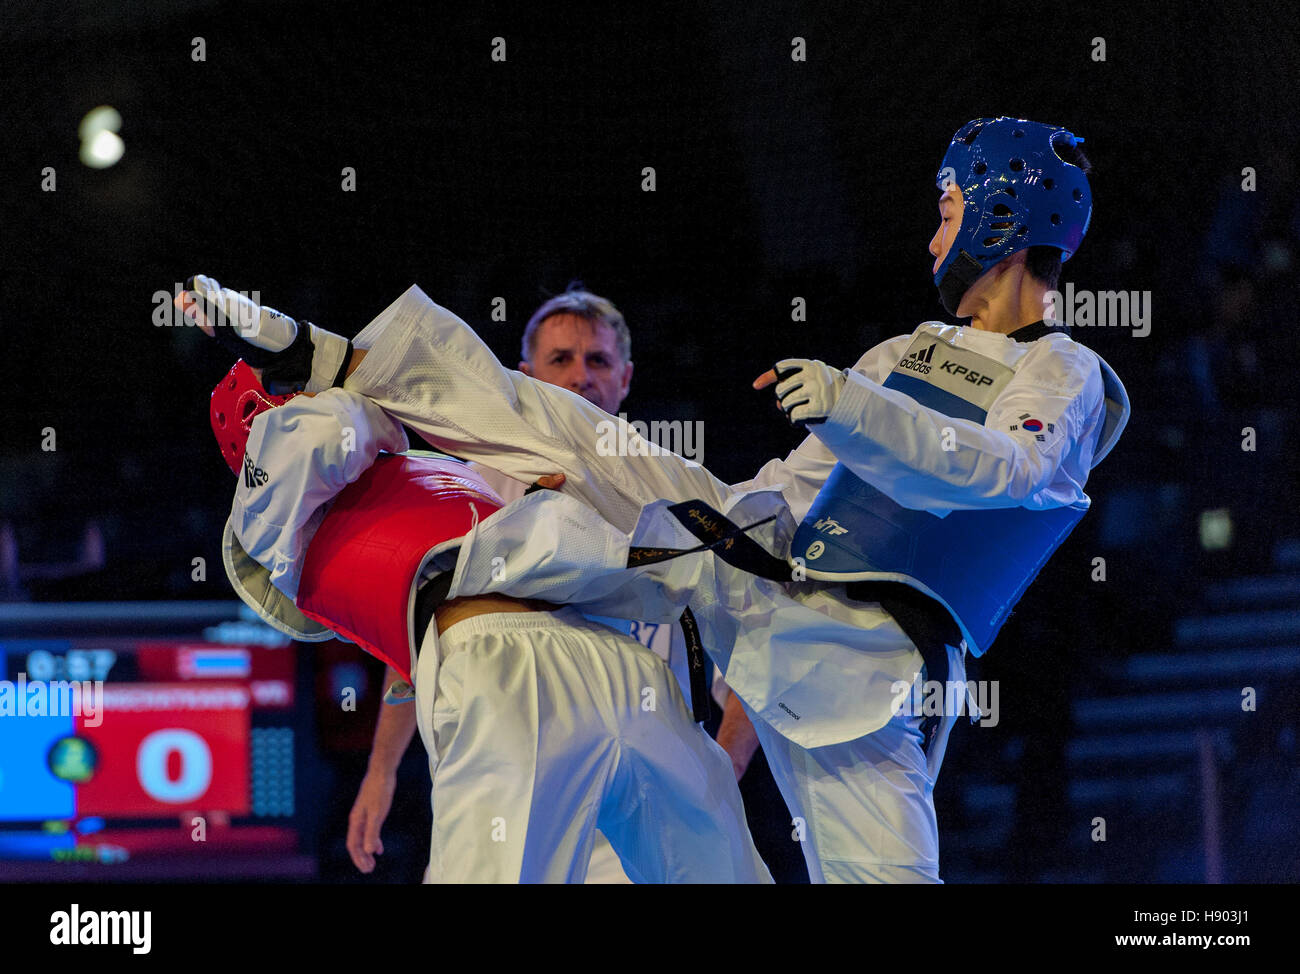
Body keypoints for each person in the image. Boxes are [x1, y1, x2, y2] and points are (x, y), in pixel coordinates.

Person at [187, 117, 1130, 882]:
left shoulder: (1065, 371)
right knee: (572, 427)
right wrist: (717, 508)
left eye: (951, 206)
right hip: (764, 564)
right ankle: (326, 354)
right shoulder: (897, 355)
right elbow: (798, 487)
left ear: (1003, 216)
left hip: (865, 665)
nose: (935, 231)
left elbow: (1004, 471)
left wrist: (853, 408)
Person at [197, 351, 771, 884]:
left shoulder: (423, 479)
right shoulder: (266, 518)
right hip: (505, 670)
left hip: (612, 658)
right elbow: (328, 429)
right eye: (294, 393)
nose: (311, 396)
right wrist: (341, 374)